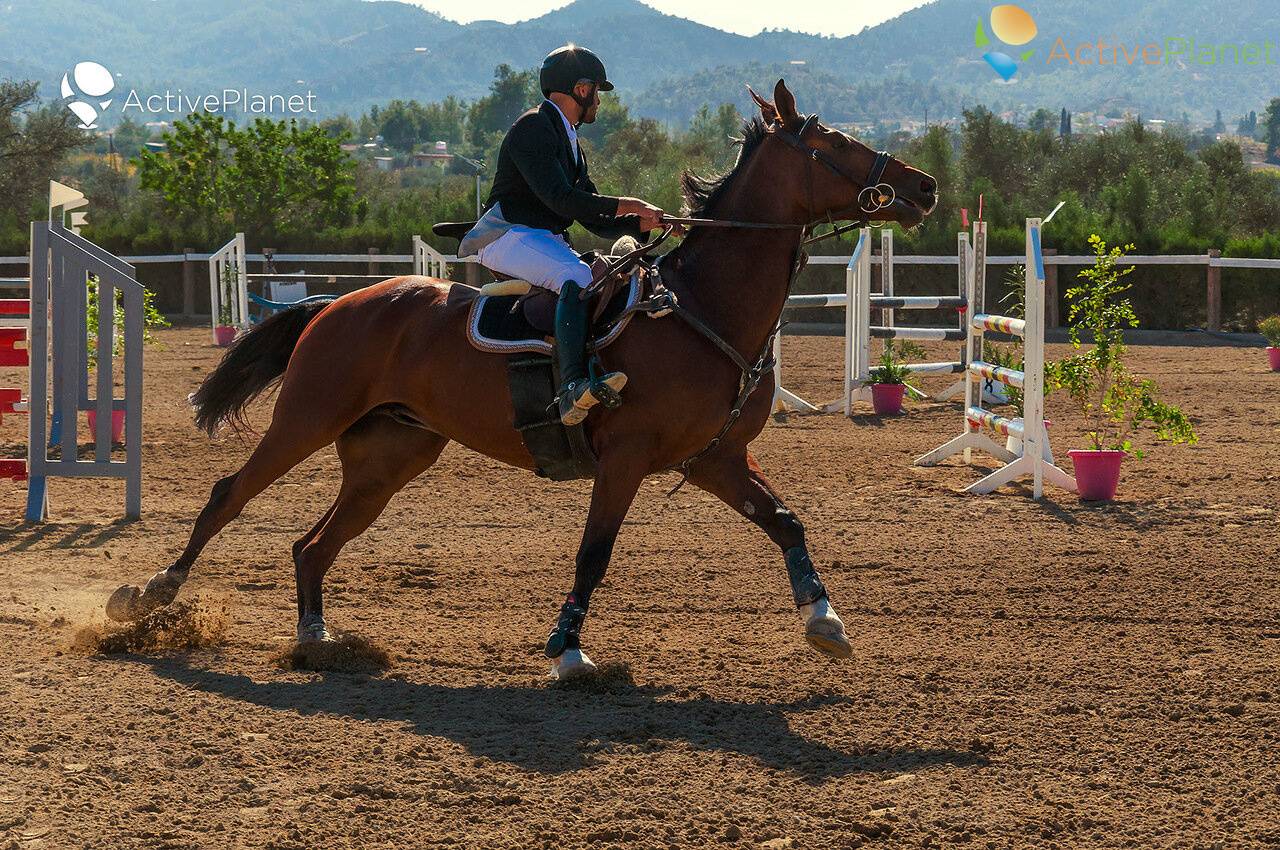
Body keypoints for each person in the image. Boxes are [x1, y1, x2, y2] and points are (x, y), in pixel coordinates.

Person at [458, 45, 667, 426]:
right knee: (575, 276)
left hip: (538, 236)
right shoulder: (533, 128)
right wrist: (628, 203)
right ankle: (571, 387)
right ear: (582, 89)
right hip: (505, 235)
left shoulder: (569, 140)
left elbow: (590, 215)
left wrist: (642, 224)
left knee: (594, 274)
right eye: (598, 93)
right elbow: (561, 199)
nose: (600, 103)